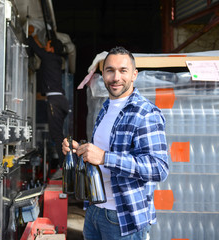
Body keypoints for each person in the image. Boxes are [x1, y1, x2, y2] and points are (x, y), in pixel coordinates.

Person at [62, 46, 169, 239]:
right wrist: (80, 151)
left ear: (134, 74)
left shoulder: (145, 113)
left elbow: (158, 168)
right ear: (103, 74)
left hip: (124, 218)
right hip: (95, 209)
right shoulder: (105, 108)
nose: (116, 77)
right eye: (110, 70)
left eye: (123, 71)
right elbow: (100, 155)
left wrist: (105, 157)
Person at [27, 27, 69, 177]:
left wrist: (31, 35)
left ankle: (64, 166)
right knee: (59, 134)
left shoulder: (50, 58)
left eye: (48, 45)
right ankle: (64, 163)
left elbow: (37, 49)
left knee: (56, 135)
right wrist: (37, 38)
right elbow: (42, 49)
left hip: (55, 101)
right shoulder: (54, 59)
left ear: (51, 49)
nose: (46, 46)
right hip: (60, 100)